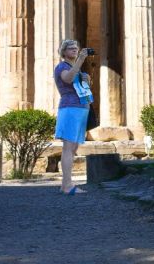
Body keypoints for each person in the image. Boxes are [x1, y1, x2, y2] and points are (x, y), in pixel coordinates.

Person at [54, 39, 93, 195]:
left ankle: (65, 185)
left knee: (73, 147)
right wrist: (81, 60)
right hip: (70, 108)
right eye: (70, 48)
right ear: (64, 52)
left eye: (76, 48)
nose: (74, 50)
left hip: (80, 108)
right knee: (68, 147)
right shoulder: (62, 67)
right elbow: (68, 79)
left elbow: (82, 88)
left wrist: (87, 80)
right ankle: (68, 185)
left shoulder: (75, 67)